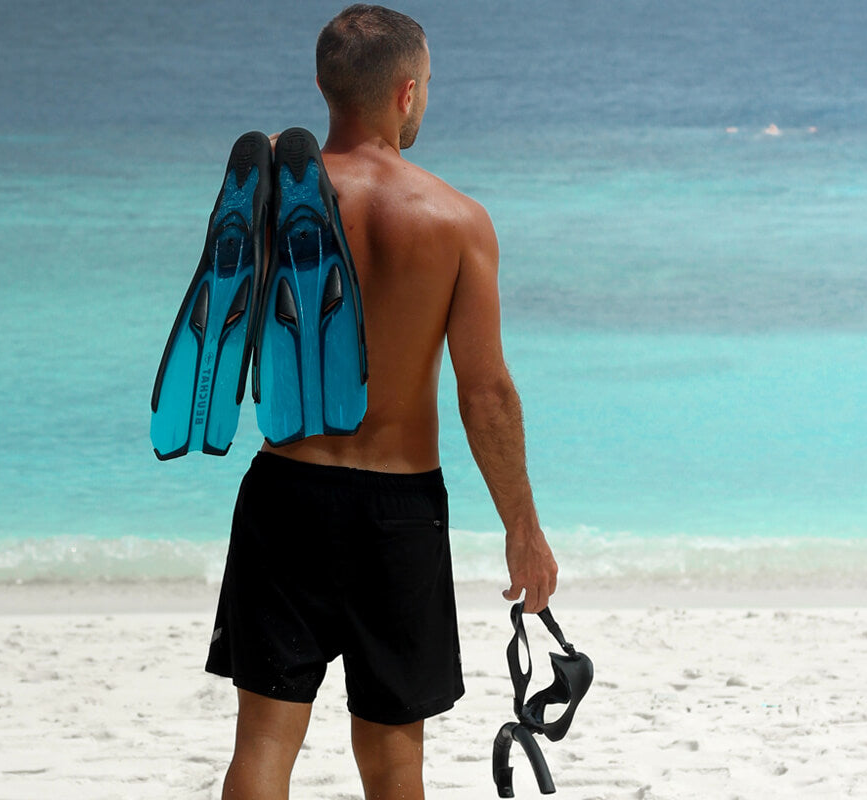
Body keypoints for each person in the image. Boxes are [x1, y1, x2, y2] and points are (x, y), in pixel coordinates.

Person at [206, 5, 558, 799]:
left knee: (264, 743)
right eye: (427, 85)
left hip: (285, 491)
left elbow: (223, 325)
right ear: (405, 92)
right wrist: (522, 528)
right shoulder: (457, 221)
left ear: (326, 88)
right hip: (399, 512)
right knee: (395, 759)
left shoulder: (265, 204)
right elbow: (487, 391)